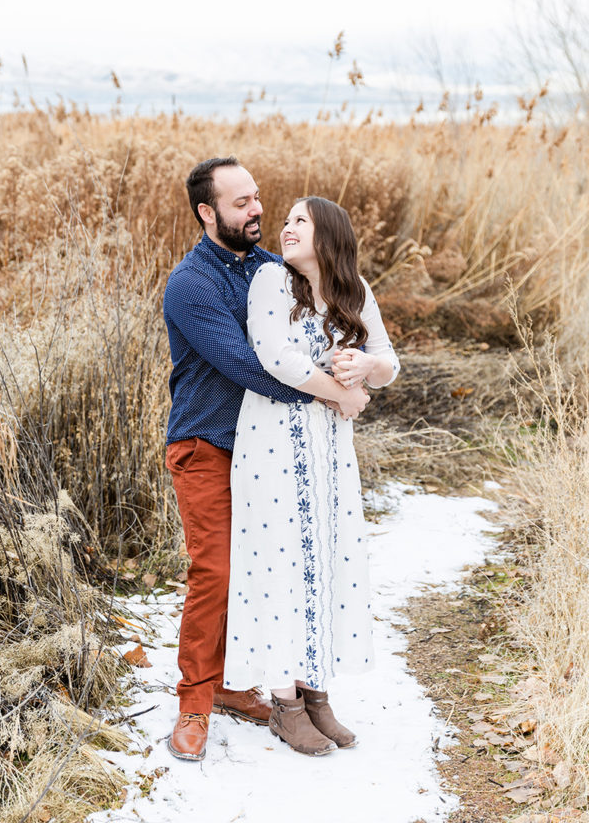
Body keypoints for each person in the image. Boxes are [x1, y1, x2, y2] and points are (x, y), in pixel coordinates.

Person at [163, 159, 370, 762]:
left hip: (273, 448)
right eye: (241, 203)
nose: (257, 210)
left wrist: (360, 367)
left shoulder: (272, 269)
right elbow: (248, 365)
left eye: (258, 198)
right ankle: (195, 703)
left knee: (271, 566)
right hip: (207, 442)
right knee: (219, 570)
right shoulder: (191, 283)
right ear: (208, 213)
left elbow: (320, 332)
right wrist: (335, 393)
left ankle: (238, 684)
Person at [223, 196, 400, 756]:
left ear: (329, 234)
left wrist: (367, 368)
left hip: (329, 450)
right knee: (279, 562)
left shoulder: (355, 291)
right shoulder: (271, 282)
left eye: (301, 220)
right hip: (272, 440)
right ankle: (285, 703)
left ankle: (318, 693)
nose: (286, 227)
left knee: (325, 558)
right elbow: (278, 359)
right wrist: (346, 394)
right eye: (287, 220)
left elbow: (389, 362)